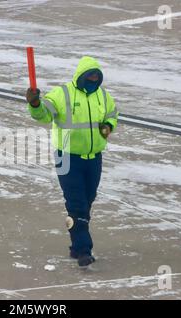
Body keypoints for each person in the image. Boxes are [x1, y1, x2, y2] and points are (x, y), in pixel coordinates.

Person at [26, 56, 119, 267]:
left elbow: (113, 113)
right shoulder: (62, 94)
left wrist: (108, 126)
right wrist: (35, 103)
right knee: (76, 203)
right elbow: (43, 115)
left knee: (87, 201)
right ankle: (84, 249)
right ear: (81, 76)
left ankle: (76, 247)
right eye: (90, 75)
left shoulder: (103, 96)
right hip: (67, 157)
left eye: (97, 76)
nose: (94, 79)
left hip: (94, 157)